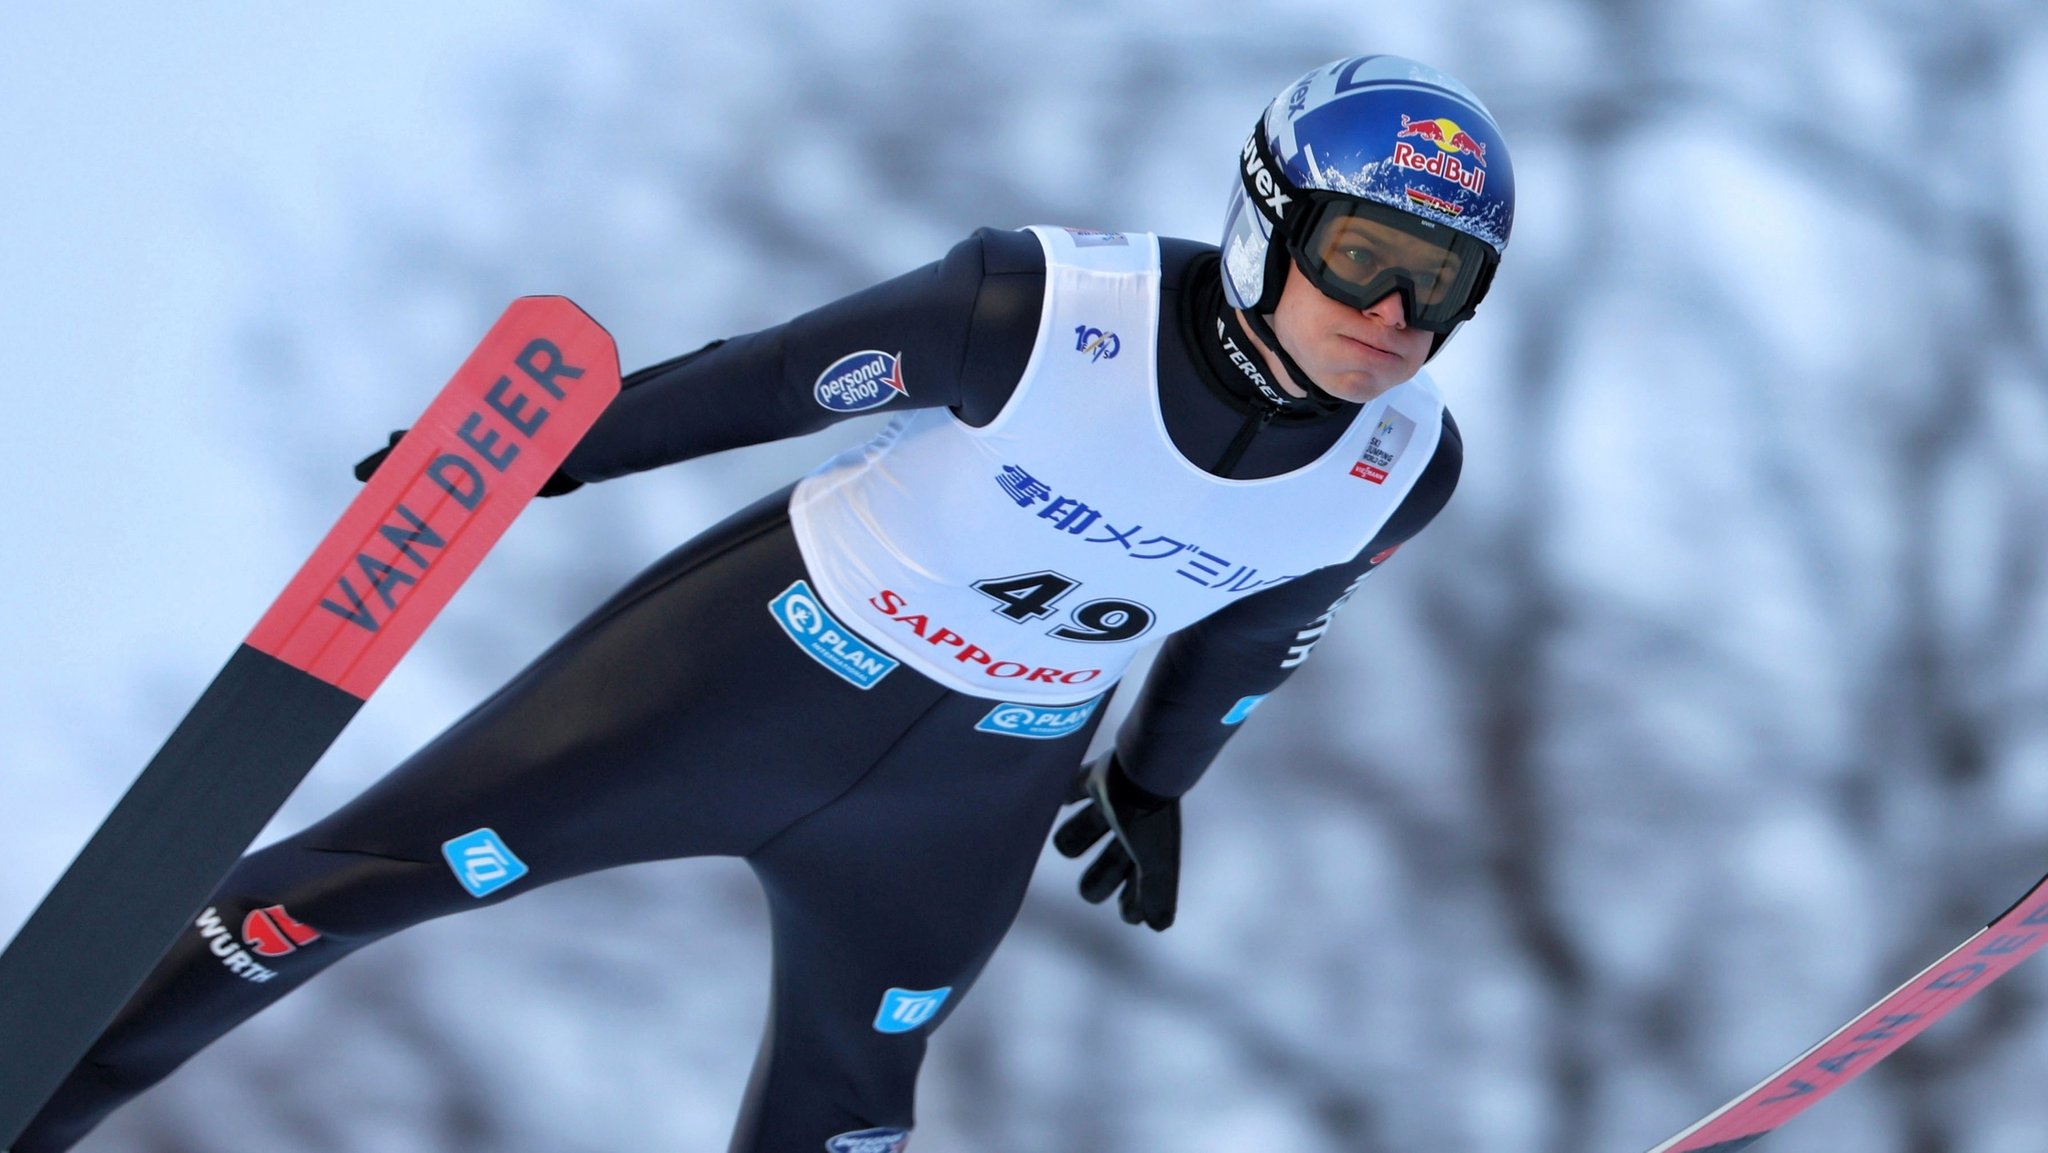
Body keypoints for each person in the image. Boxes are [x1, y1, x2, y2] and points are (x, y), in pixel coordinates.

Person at [17, 53, 1514, 1153]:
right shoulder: (1048, 311)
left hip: (972, 789)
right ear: (1269, 221)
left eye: (1441, 286)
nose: (1393, 316)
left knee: (849, 1114)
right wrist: (525, 454)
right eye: (1364, 256)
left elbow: (1255, 631)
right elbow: (770, 377)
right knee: (352, 884)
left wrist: (1152, 777)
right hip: (748, 673)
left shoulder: (1397, 465)